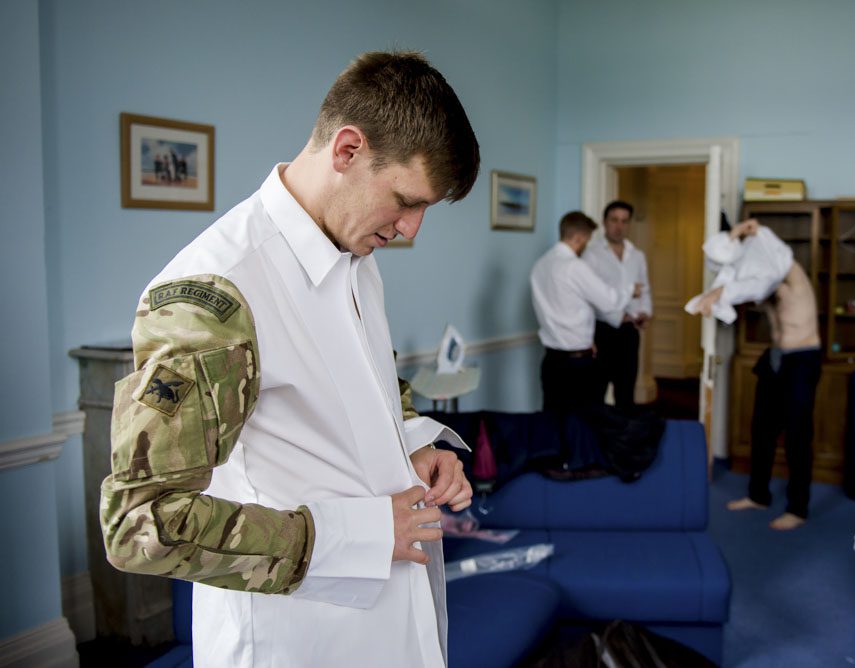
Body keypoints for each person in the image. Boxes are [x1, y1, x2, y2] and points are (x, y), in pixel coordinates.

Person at [100, 51, 480, 666]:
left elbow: (354, 391)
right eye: (407, 201)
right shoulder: (217, 292)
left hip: (392, 621)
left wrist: (414, 444)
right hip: (294, 637)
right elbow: (143, 525)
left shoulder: (356, 256)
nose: (412, 230)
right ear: (348, 150)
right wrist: (362, 534)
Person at [688, 219, 821, 530]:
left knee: (797, 437)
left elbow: (755, 284)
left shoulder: (787, 271)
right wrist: (732, 239)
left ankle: (797, 509)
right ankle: (758, 496)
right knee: (762, 430)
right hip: (775, 357)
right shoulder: (761, 274)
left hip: (802, 358)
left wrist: (718, 292)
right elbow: (736, 276)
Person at [530, 210, 639, 414]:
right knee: (583, 426)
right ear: (579, 237)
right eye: (587, 240)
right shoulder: (574, 267)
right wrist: (632, 290)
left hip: (551, 362)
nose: (586, 246)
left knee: (553, 423)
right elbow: (610, 302)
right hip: (577, 365)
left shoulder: (540, 265)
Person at [582, 200, 652, 410]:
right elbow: (588, 296)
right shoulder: (591, 254)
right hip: (601, 331)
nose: (619, 226)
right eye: (614, 220)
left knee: (626, 392)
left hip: (629, 333)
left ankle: (623, 441)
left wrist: (644, 313)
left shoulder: (637, 255)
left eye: (624, 221)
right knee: (596, 391)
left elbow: (644, 289)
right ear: (605, 222)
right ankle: (596, 441)